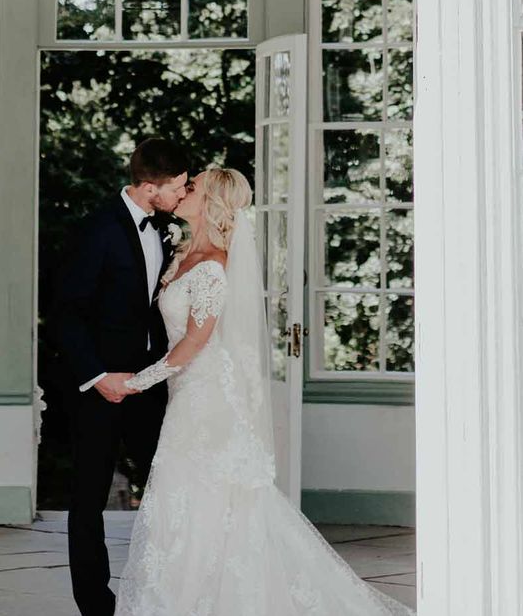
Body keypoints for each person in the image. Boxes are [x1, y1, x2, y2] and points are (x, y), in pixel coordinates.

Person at [116, 167, 414, 616]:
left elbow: (195, 343)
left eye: (191, 187)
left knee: (205, 495)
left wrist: (135, 382)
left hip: (208, 396)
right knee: (188, 497)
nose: (182, 191)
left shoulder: (214, 266)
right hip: (186, 393)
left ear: (210, 200)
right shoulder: (180, 254)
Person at [53, 136, 189, 616]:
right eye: (178, 186)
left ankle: (166, 588)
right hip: (100, 391)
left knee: (170, 484)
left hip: (149, 386)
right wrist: (96, 376)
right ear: (151, 187)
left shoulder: (171, 225)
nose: (184, 192)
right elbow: (66, 313)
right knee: (88, 498)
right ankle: (95, 604)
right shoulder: (97, 229)